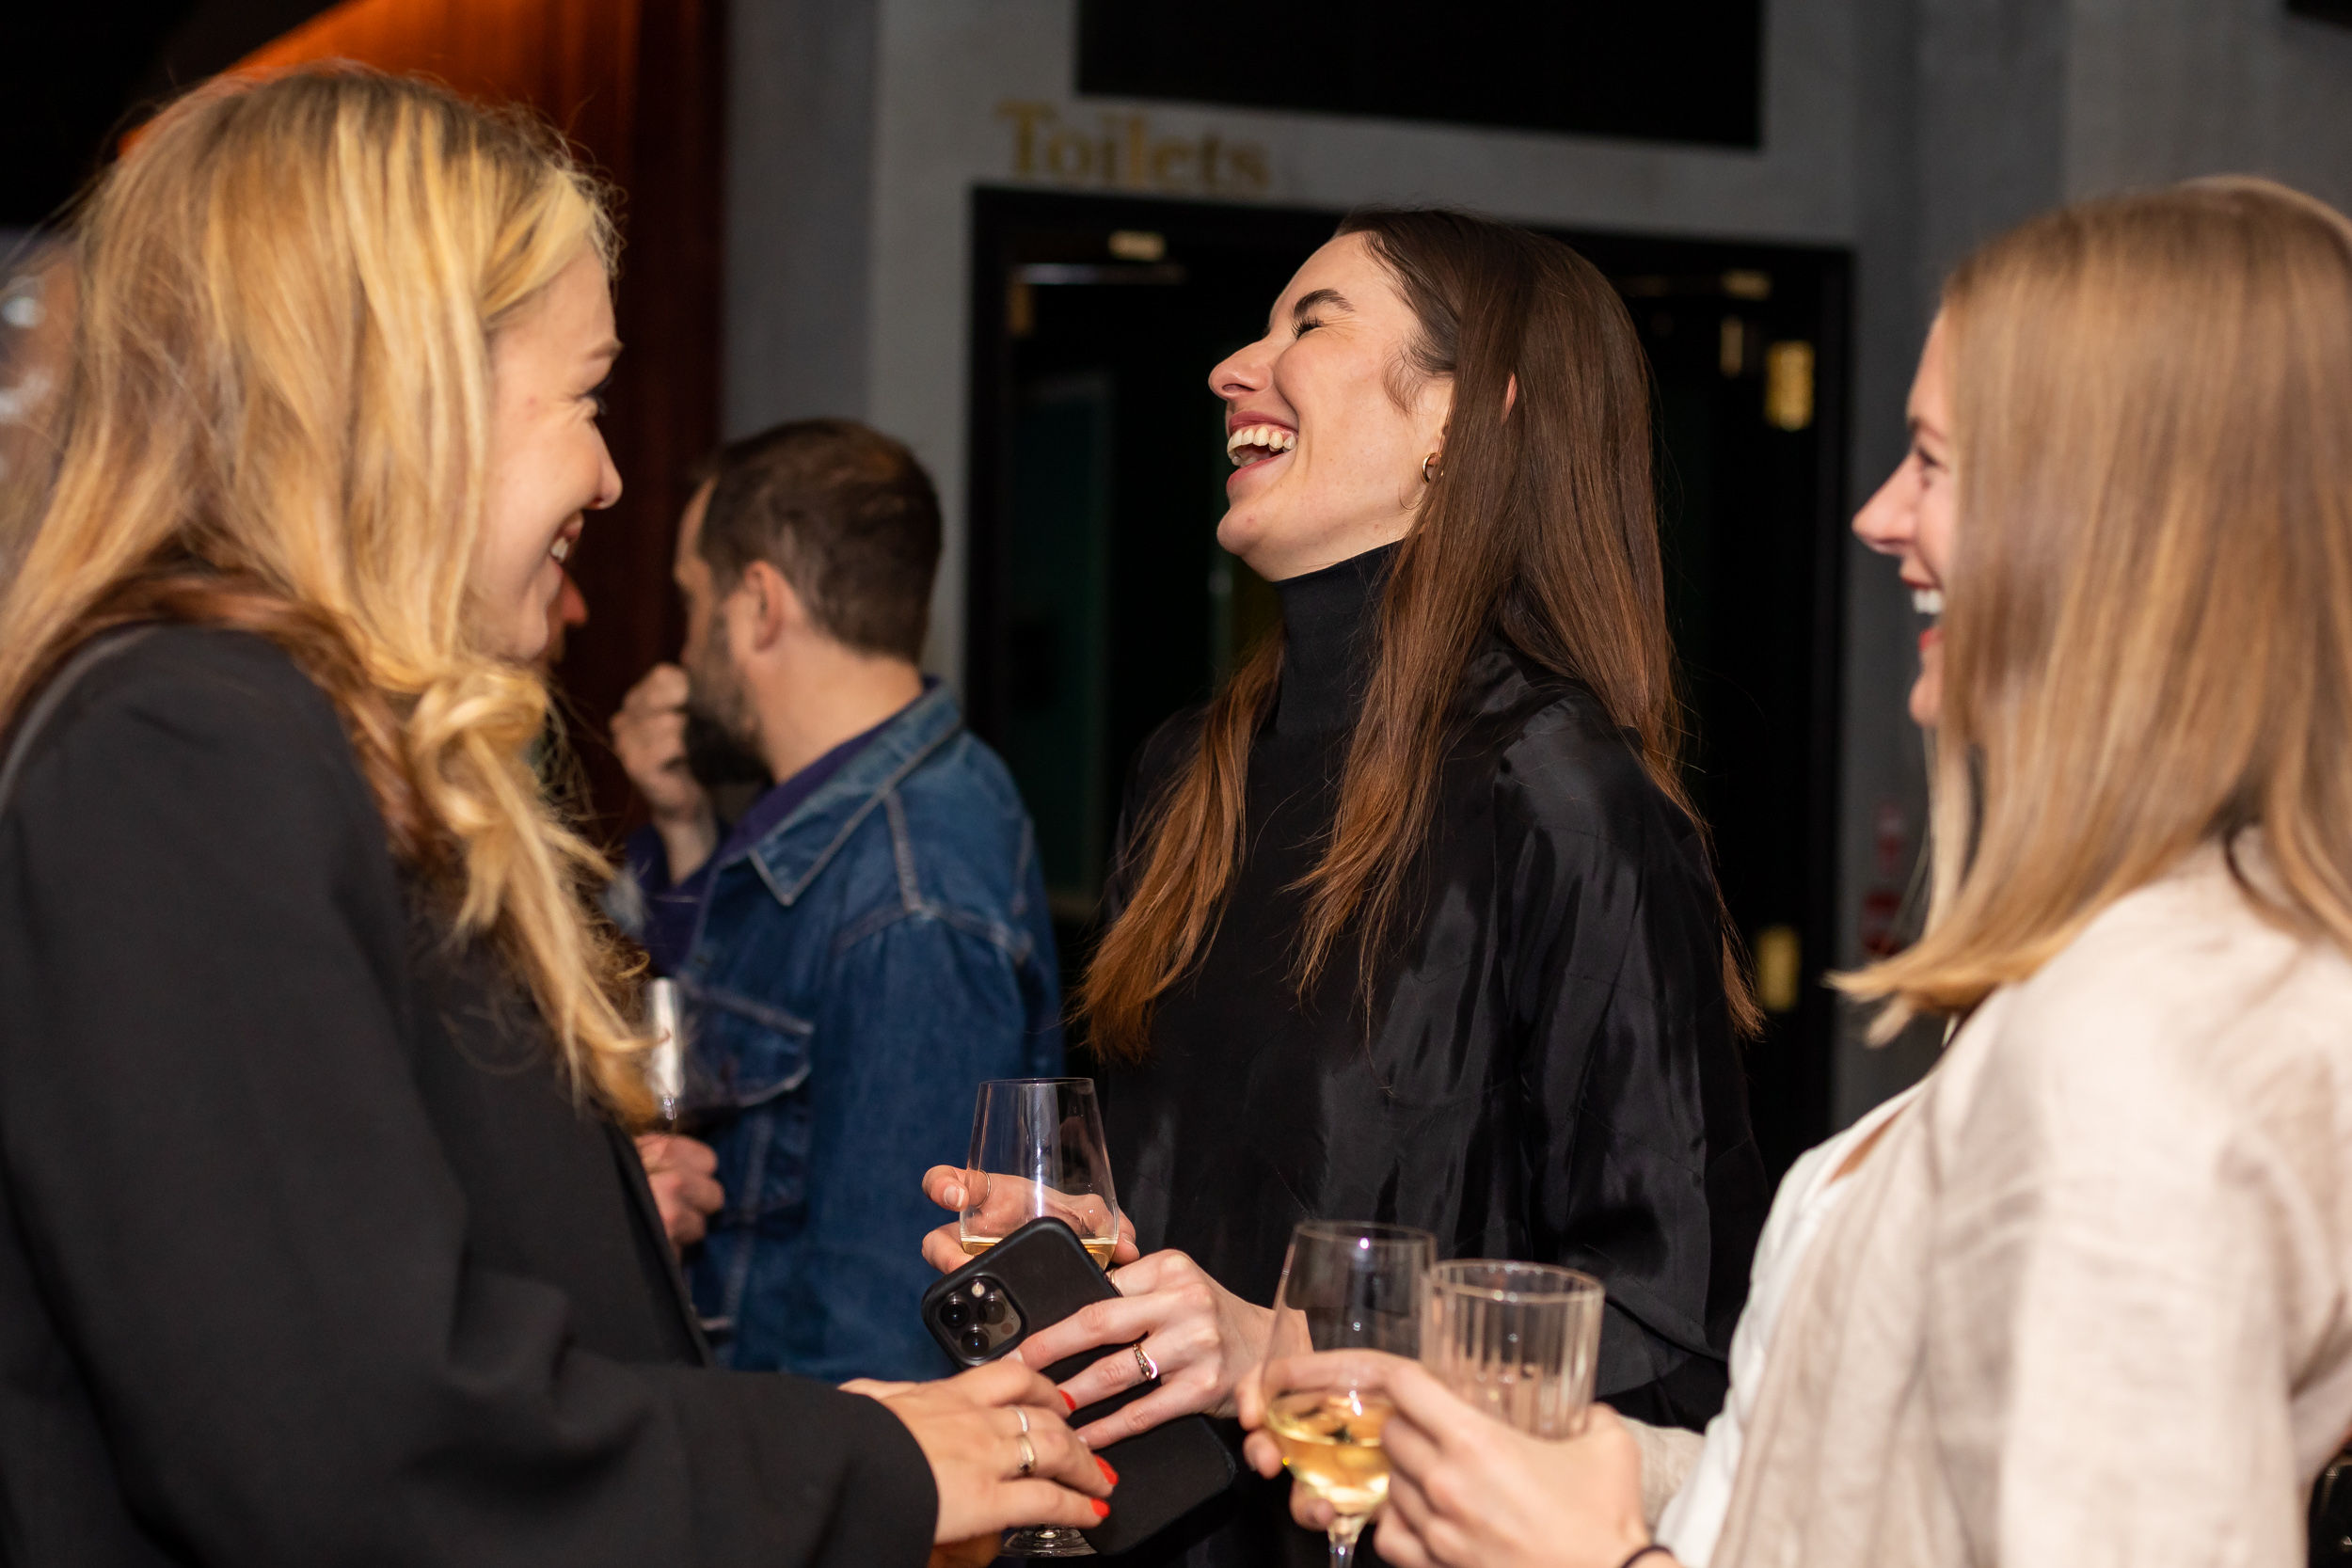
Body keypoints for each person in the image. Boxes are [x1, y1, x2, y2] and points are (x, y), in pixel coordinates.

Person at [0, 66, 1114, 1566]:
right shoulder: (181, 744)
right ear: (405, 389)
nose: (607, 470)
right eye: (585, 396)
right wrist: (863, 1463)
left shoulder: (280, 735)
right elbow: (358, 1444)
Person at [1242, 178, 2352, 1568]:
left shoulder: (2135, 1050)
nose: (1880, 516)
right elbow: (1880, 1499)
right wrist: (1621, 1472)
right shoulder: (2180, 976)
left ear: (2127, 522)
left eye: (1936, 462)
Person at [925, 208, 1769, 1560]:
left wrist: (1286, 1342)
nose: (1232, 369)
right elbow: (1216, 1231)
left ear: (1460, 416)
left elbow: (1665, 1333)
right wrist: (1100, 1259)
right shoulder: (1190, 769)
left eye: (1310, 324)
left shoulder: (1562, 796)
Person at [608, 420, 1063, 1383]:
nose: (684, 648)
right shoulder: (837, 815)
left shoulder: (906, 895)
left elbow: (885, 1345)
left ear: (758, 604)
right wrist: (683, 836)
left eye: (693, 600)